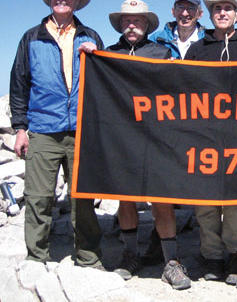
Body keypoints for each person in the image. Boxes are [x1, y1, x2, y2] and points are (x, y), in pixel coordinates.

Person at [94, 0, 190, 290]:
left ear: (147, 25)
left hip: (156, 138)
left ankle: (171, 262)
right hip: (122, 139)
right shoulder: (108, 56)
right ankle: (130, 254)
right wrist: (90, 57)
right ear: (120, 25)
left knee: (161, 199)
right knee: (125, 198)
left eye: (137, 21)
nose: (131, 25)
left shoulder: (161, 53)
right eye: (126, 21)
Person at [9, 0, 103, 269]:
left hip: (81, 130)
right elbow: (19, 84)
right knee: (38, 197)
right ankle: (36, 257)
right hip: (42, 129)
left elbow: (103, 83)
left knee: (82, 198)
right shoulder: (31, 37)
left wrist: (97, 57)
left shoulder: (91, 37)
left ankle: (89, 256)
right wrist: (20, 129)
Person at [184, 0, 237, 286]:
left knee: (236, 199)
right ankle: (211, 255)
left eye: (227, 8)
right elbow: (182, 86)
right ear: (211, 14)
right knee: (205, 199)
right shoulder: (197, 48)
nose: (222, 13)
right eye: (217, 8)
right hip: (204, 134)